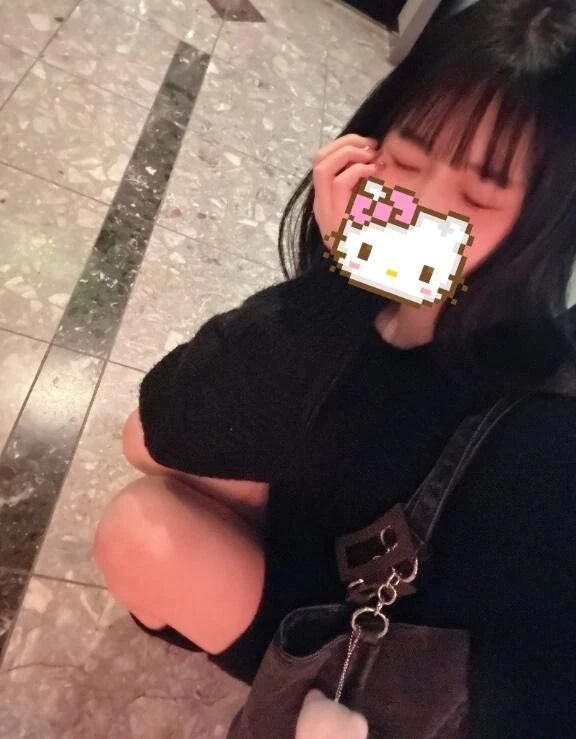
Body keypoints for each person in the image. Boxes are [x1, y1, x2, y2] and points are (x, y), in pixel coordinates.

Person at [93, 1, 576, 735]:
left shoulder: (537, 417)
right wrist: (344, 278)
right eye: (406, 158)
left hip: (361, 634)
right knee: (149, 438)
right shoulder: (375, 293)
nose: (418, 205)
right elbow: (171, 421)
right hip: (317, 536)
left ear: (541, 223)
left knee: (143, 528)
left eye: (478, 195)